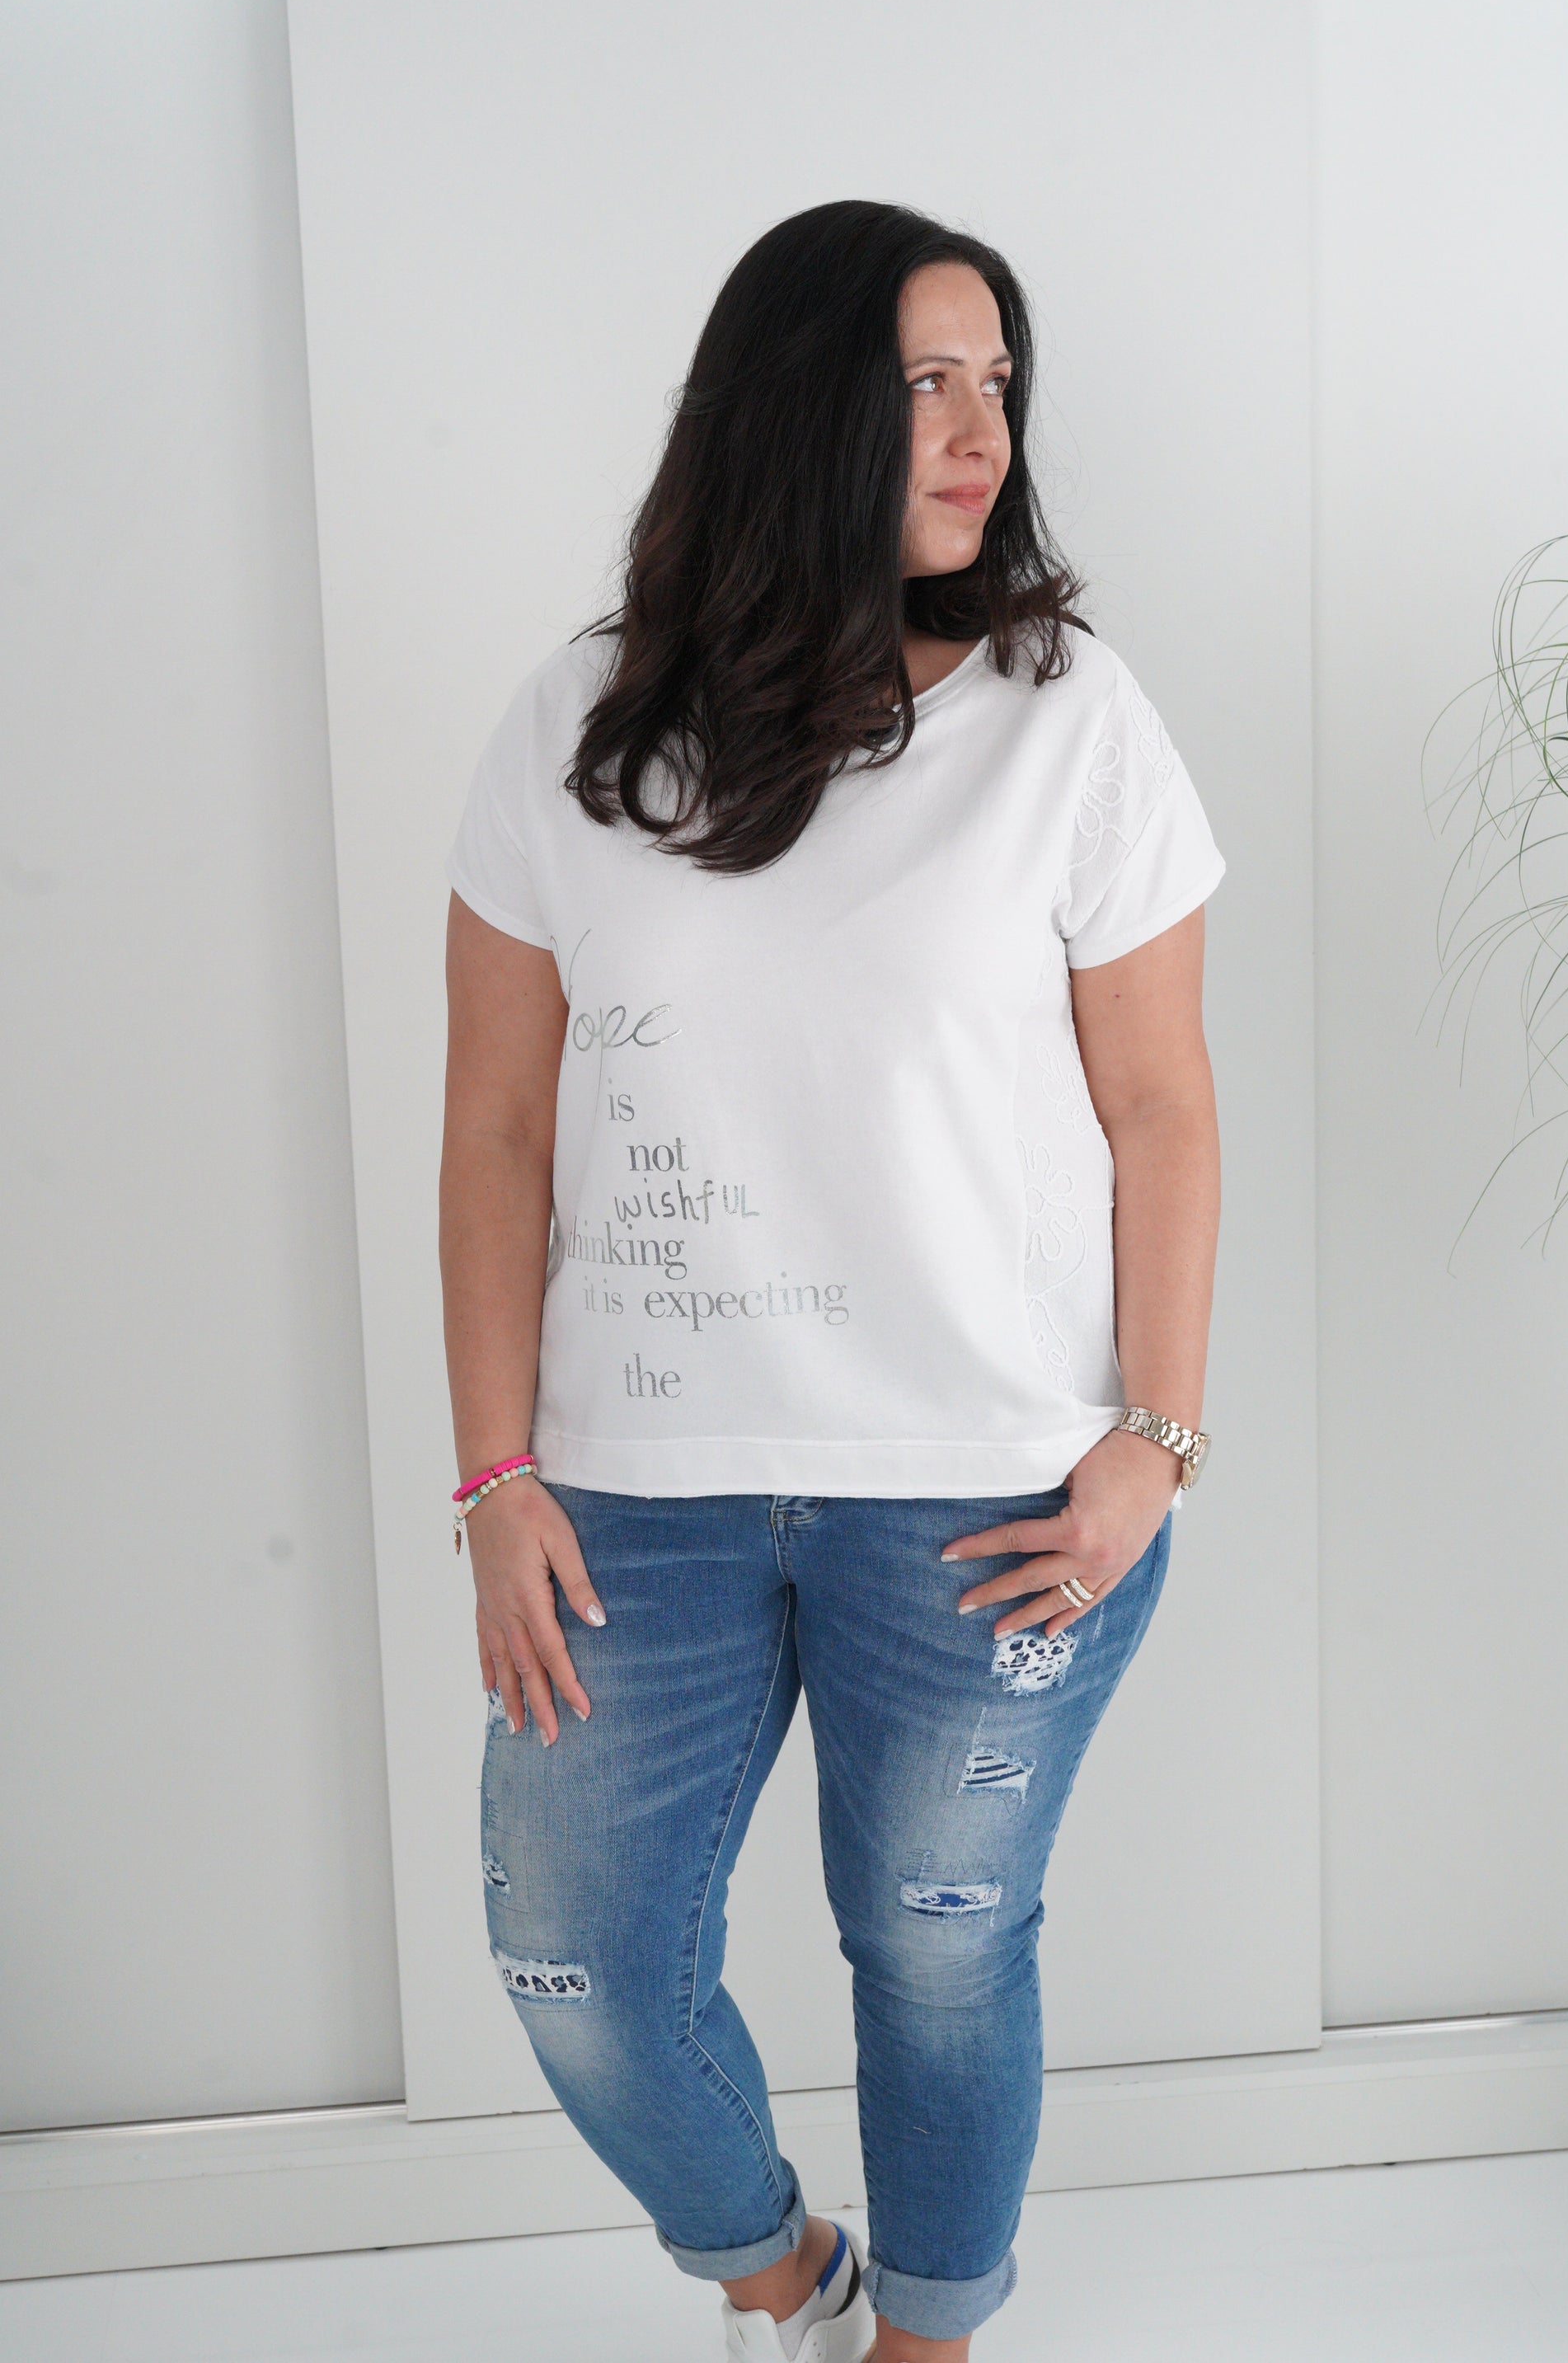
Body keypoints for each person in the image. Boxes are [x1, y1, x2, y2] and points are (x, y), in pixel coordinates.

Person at [439, 199, 1224, 2363]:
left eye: (995, 382)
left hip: (990, 1490)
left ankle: (928, 2344)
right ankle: (789, 2282)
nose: (980, 431)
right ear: (792, 410)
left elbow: (1163, 1106)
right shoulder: (580, 725)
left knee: (940, 1941)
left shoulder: (1072, 720)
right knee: (579, 1962)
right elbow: (495, 1133)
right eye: (922, 384)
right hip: (631, 1492)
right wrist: (493, 1474)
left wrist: (1155, 1440)